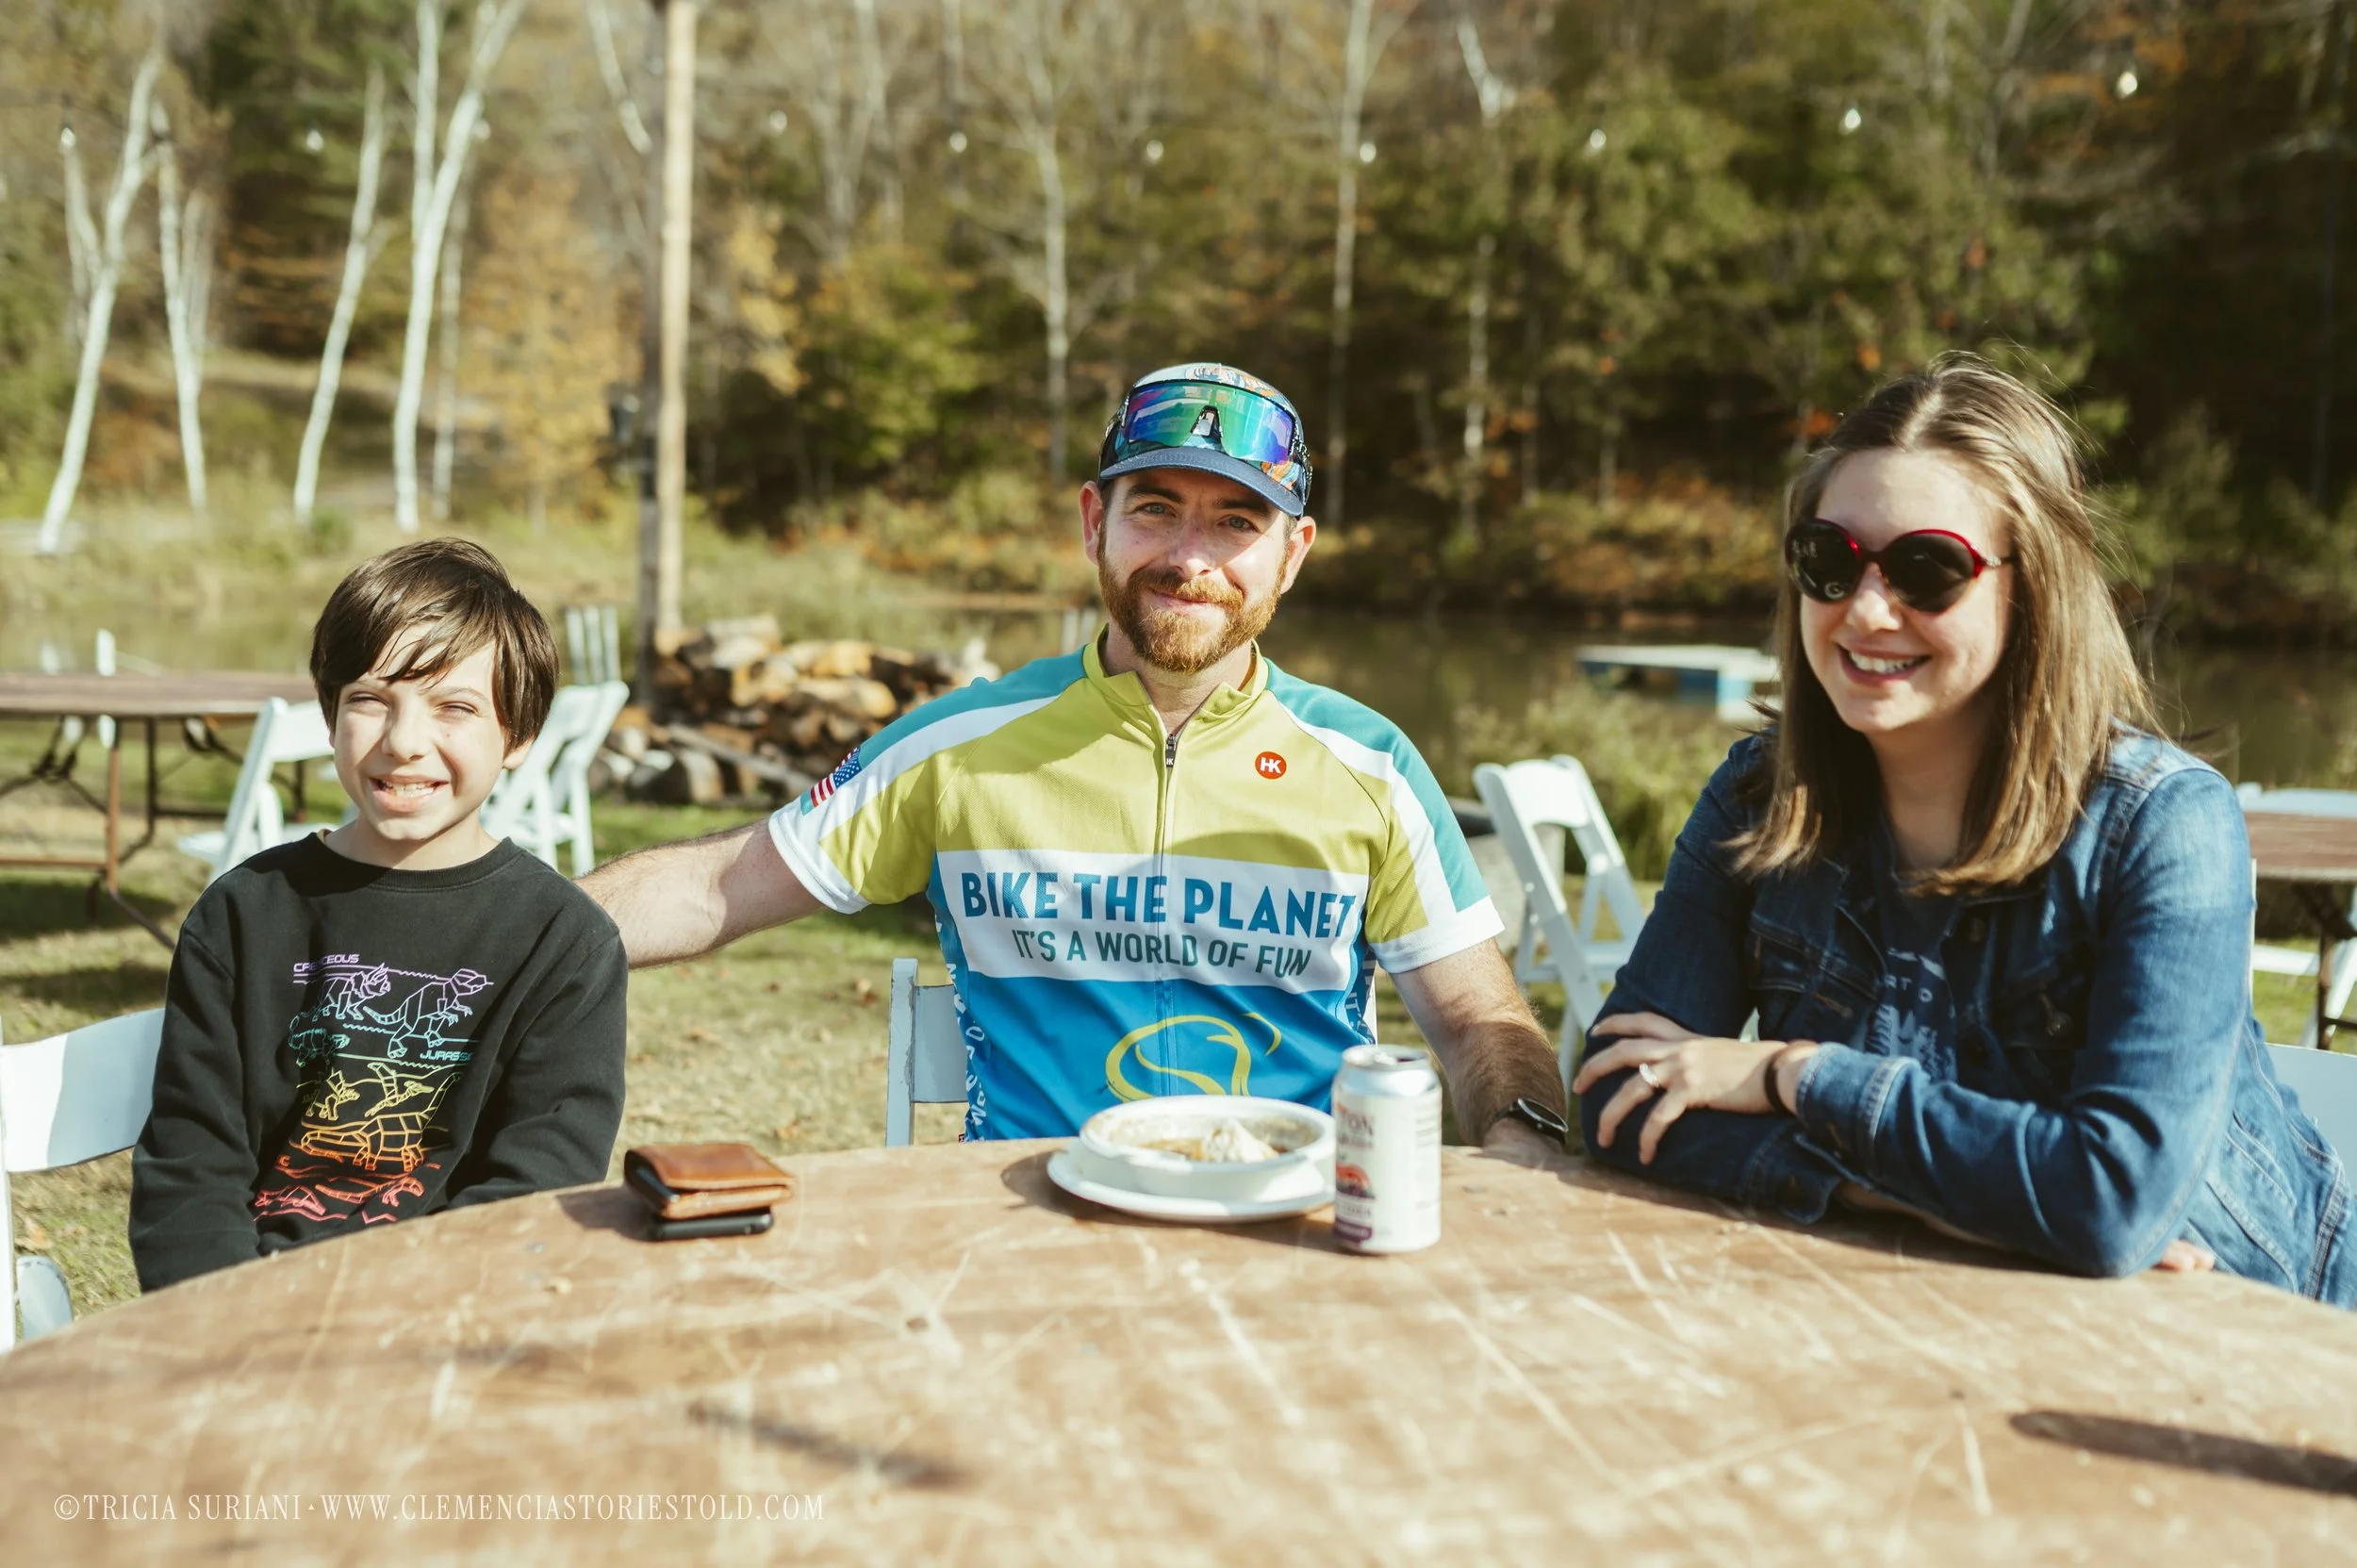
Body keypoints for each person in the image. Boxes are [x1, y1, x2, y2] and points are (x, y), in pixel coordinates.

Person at [584, 363, 1568, 1154]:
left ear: (1293, 553)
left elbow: (1479, 1022)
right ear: (1095, 522)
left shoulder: (1371, 764)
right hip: (1025, 1228)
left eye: (1237, 522)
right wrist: (486, 935)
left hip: (1293, 1234)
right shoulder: (957, 746)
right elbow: (721, 881)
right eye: (1155, 509)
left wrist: (1530, 1152)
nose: (1192, 556)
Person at [1571, 355, 2354, 1305]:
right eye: (1828, 558)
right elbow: (1617, 1100)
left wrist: (1792, 1073)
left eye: (1926, 569)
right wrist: (1912, 1201)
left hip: (2239, 1355)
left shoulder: (2163, 826)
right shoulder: (1757, 797)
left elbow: (2108, 1202)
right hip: (1920, 1310)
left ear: (2036, 590)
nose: (1863, 609)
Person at [131, 540, 627, 1290]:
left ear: (519, 736)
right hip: (248, 1310)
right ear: (330, 717)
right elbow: (190, 1169)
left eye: (454, 707)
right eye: (370, 699)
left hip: (453, 1307)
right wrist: (228, 1324)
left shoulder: (564, 941)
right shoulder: (242, 913)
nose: (403, 742)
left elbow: (537, 1185)